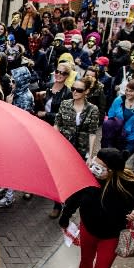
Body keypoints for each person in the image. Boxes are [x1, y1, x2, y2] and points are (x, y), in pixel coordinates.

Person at [59, 149, 134, 268]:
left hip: (112, 235)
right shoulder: (87, 179)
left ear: (111, 170)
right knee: (85, 261)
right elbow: (75, 198)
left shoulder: (128, 184)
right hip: (88, 229)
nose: (93, 169)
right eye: (94, 164)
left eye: (99, 167)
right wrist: (65, 216)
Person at [52, 76, 101, 218]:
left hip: (80, 149)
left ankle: (68, 206)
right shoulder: (65, 104)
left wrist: (90, 156)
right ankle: (57, 204)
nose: (74, 92)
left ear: (86, 91)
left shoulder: (93, 109)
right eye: (73, 89)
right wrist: (55, 142)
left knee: (74, 179)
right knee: (60, 176)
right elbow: (57, 123)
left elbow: (93, 133)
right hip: (64, 147)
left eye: (79, 90)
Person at [106, 80, 134, 167]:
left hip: (133, 138)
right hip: (117, 135)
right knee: (110, 159)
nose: (128, 93)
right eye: (127, 90)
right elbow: (110, 114)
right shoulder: (119, 100)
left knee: (120, 160)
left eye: (131, 91)